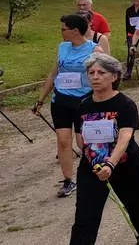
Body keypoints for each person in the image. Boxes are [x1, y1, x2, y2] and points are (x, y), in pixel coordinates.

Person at [70, 53, 139, 245]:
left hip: (125, 165)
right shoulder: (83, 105)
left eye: (101, 72)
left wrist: (110, 163)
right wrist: (96, 160)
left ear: (114, 77)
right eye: (91, 73)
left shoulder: (125, 104)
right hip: (92, 169)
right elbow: (80, 140)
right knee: (85, 216)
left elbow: (125, 137)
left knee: (136, 205)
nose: (95, 77)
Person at [31, 14, 104, 198]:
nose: (61, 32)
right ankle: (68, 180)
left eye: (63, 29)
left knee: (82, 142)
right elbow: (53, 74)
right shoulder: (62, 47)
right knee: (63, 141)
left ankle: (98, 172)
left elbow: (105, 76)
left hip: (84, 101)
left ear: (75, 31)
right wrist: (41, 99)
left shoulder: (94, 49)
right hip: (61, 100)